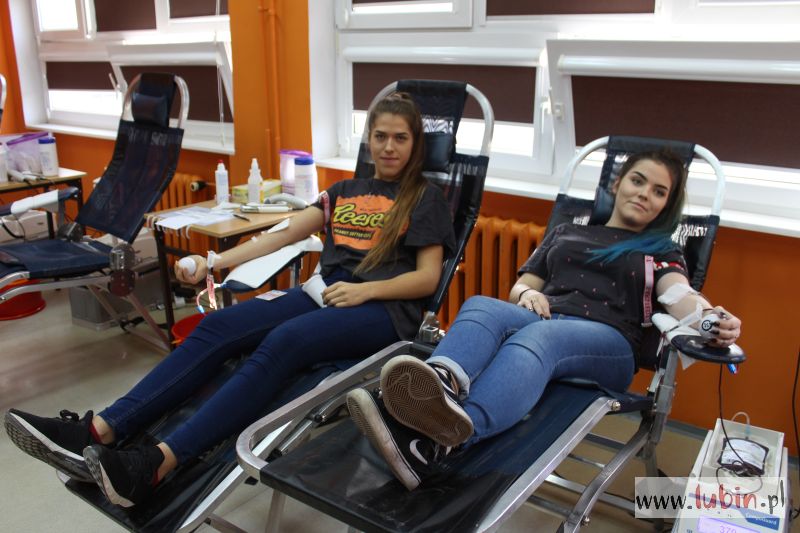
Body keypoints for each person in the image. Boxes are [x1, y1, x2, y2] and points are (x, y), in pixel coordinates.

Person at [4, 92, 456, 507]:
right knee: (218, 326)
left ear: (416, 145)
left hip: (382, 310)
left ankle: (157, 464)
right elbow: (279, 235)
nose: (389, 147)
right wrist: (213, 262)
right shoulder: (342, 193)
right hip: (325, 295)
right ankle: (98, 429)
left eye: (400, 138)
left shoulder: (424, 199)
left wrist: (365, 289)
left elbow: (427, 279)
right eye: (381, 136)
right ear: (368, 140)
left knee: (285, 341)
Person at [346, 149, 743, 491]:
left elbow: (679, 296)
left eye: (659, 191)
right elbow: (522, 287)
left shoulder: (661, 250)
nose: (644, 194)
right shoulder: (566, 232)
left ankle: (449, 439)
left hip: (608, 344)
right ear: (617, 182)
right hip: (544, 318)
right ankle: (437, 390)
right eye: (638, 181)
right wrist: (527, 294)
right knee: (482, 305)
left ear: (666, 205)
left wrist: (710, 319)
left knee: (539, 339)